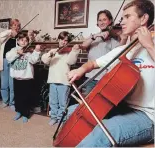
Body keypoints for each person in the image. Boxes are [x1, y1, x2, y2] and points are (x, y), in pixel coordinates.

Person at [67, 0, 154, 146]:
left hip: (148, 116)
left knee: (105, 130)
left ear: (143, 19)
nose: (122, 21)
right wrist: (80, 69)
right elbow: (93, 63)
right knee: (73, 111)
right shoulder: (122, 50)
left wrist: (149, 45)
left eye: (127, 17)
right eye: (122, 17)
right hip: (123, 107)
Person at [80, 9, 127, 96]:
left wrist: (123, 38)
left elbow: (119, 55)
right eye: (100, 20)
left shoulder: (114, 39)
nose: (102, 22)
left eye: (104, 20)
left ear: (110, 21)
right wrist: (95, 36)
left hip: (106, 79)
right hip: (91, 78)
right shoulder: (93, 37)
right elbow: (83, 46)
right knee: (87, 105)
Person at [41, 31, 81, 126]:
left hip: (64, 81)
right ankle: (53, 117)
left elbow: (71, 61)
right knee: (53, 101)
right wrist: (51, 53)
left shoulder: (68, 52)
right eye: (62, 39)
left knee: (63, 103)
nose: (63, 42)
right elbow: (45, 60)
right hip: (53, 80)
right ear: (58, 40)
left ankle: (60, 119)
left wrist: (74, 51)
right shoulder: (54, 51)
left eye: (66, 40)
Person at [6, 32, 42, 123]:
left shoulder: (29, 52)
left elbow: (33, 60)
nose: (24, 42)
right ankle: (18, 111)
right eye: (22, 40)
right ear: (18, 41)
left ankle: (25, 114)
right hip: (17, 78)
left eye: (26, 41)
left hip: (26, 78)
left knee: (26, 97)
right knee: (17, 96)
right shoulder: (13, 50)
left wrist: (37, 51)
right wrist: (17, 53)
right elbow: (8, 58)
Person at [0, 19, 21, 110]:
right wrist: (10, 32)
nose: (16, 27)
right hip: (4, 60)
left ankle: (12, 102)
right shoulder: (6, 36)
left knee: (12, 84)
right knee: (4, 83)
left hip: (14, 61)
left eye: (18, 26)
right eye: (14, 25)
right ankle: (5, 101)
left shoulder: (19, 37)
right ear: (10, 26)